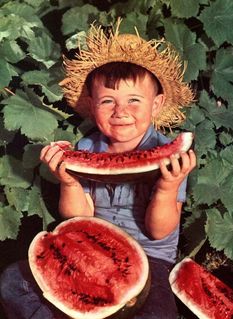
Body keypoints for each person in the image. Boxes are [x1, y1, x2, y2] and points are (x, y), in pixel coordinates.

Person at [0, 20, 196, 319]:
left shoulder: (169, 157)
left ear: (156, 105)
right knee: (12, 283)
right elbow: (79, 219)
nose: (121, 112)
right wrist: (68, 182)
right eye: (108, 101)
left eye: (134, 100)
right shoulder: (87, 148)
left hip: (150, 261)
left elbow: (159, 232)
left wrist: (168, 187)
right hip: (89, 248)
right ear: (92, 106)